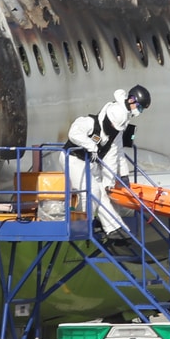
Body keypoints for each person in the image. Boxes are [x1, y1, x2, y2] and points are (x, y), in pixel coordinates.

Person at [63, 85, 151, 252]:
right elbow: (74, 133)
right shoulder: (90, 123)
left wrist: (120, 176)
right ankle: (85, 222)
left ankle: (115, 230)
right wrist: (90, 146)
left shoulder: (113, 136)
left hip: (90, 163)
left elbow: (115, 156)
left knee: (102, 194)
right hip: (73, 159)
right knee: (93, 191)